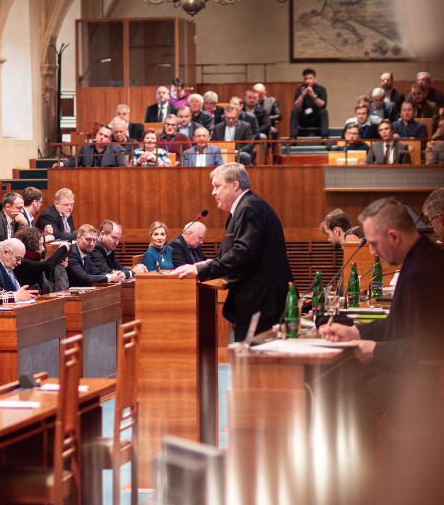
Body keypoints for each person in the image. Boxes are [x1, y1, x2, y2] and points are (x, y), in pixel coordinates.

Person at [320, 198, 444, 374]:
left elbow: (431, 345)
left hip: (421, 385)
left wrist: (375, 351)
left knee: (339, 379)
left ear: (393, 236)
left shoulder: (423, 271)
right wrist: (355, 332)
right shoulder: (417, 258)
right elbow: (399, 323)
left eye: (373, 243)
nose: (372, 252)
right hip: (411, 373)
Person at [175, 163, 292, 341]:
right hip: (257, 301)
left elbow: (243, 253)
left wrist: (201, 270)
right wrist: (207, 263)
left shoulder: (249, 208)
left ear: (234, 184)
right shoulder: (244, 207)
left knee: (253, 364)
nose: (213, 192)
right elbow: (236, 251)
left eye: (217, 186)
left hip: (261, 302)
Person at [14, 226, 70, 292]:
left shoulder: (36, 258)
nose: (43, 249)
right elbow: (46, 265)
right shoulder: (21, 261)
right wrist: (63, 248)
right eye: (40, 245)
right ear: (31, 244)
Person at [54, 125, 125, 168]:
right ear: (96, 135)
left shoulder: (117, 149)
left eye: (105, 136)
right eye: (100, 134)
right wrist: (61, 164)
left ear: (109, 140)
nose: (101, 137)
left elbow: (122, 169)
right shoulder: (86, 148)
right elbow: (74, 160)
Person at [290, 67, 329, 138]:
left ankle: (325, 136)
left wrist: (313, 95)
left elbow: (322, 105)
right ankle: (293, 137)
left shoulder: (321, 89)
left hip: (317, 119)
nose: (308, 81)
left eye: (310, 78)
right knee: (294, 111)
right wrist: (302, 95)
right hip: (304, 118)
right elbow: (297, 106)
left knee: (324, 111)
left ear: (315, 80)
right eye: (306, 79)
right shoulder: (300, 89)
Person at [253, 83, 283, 164]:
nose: (258, 95)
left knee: (274, 131)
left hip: (267, 126)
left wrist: (266, 118)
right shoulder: (251, 101)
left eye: (260, 93)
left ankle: (274, 155)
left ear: (265, 92)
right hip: (253, 126)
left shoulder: (271, 101)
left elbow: (279, 116)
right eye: (256, 92)